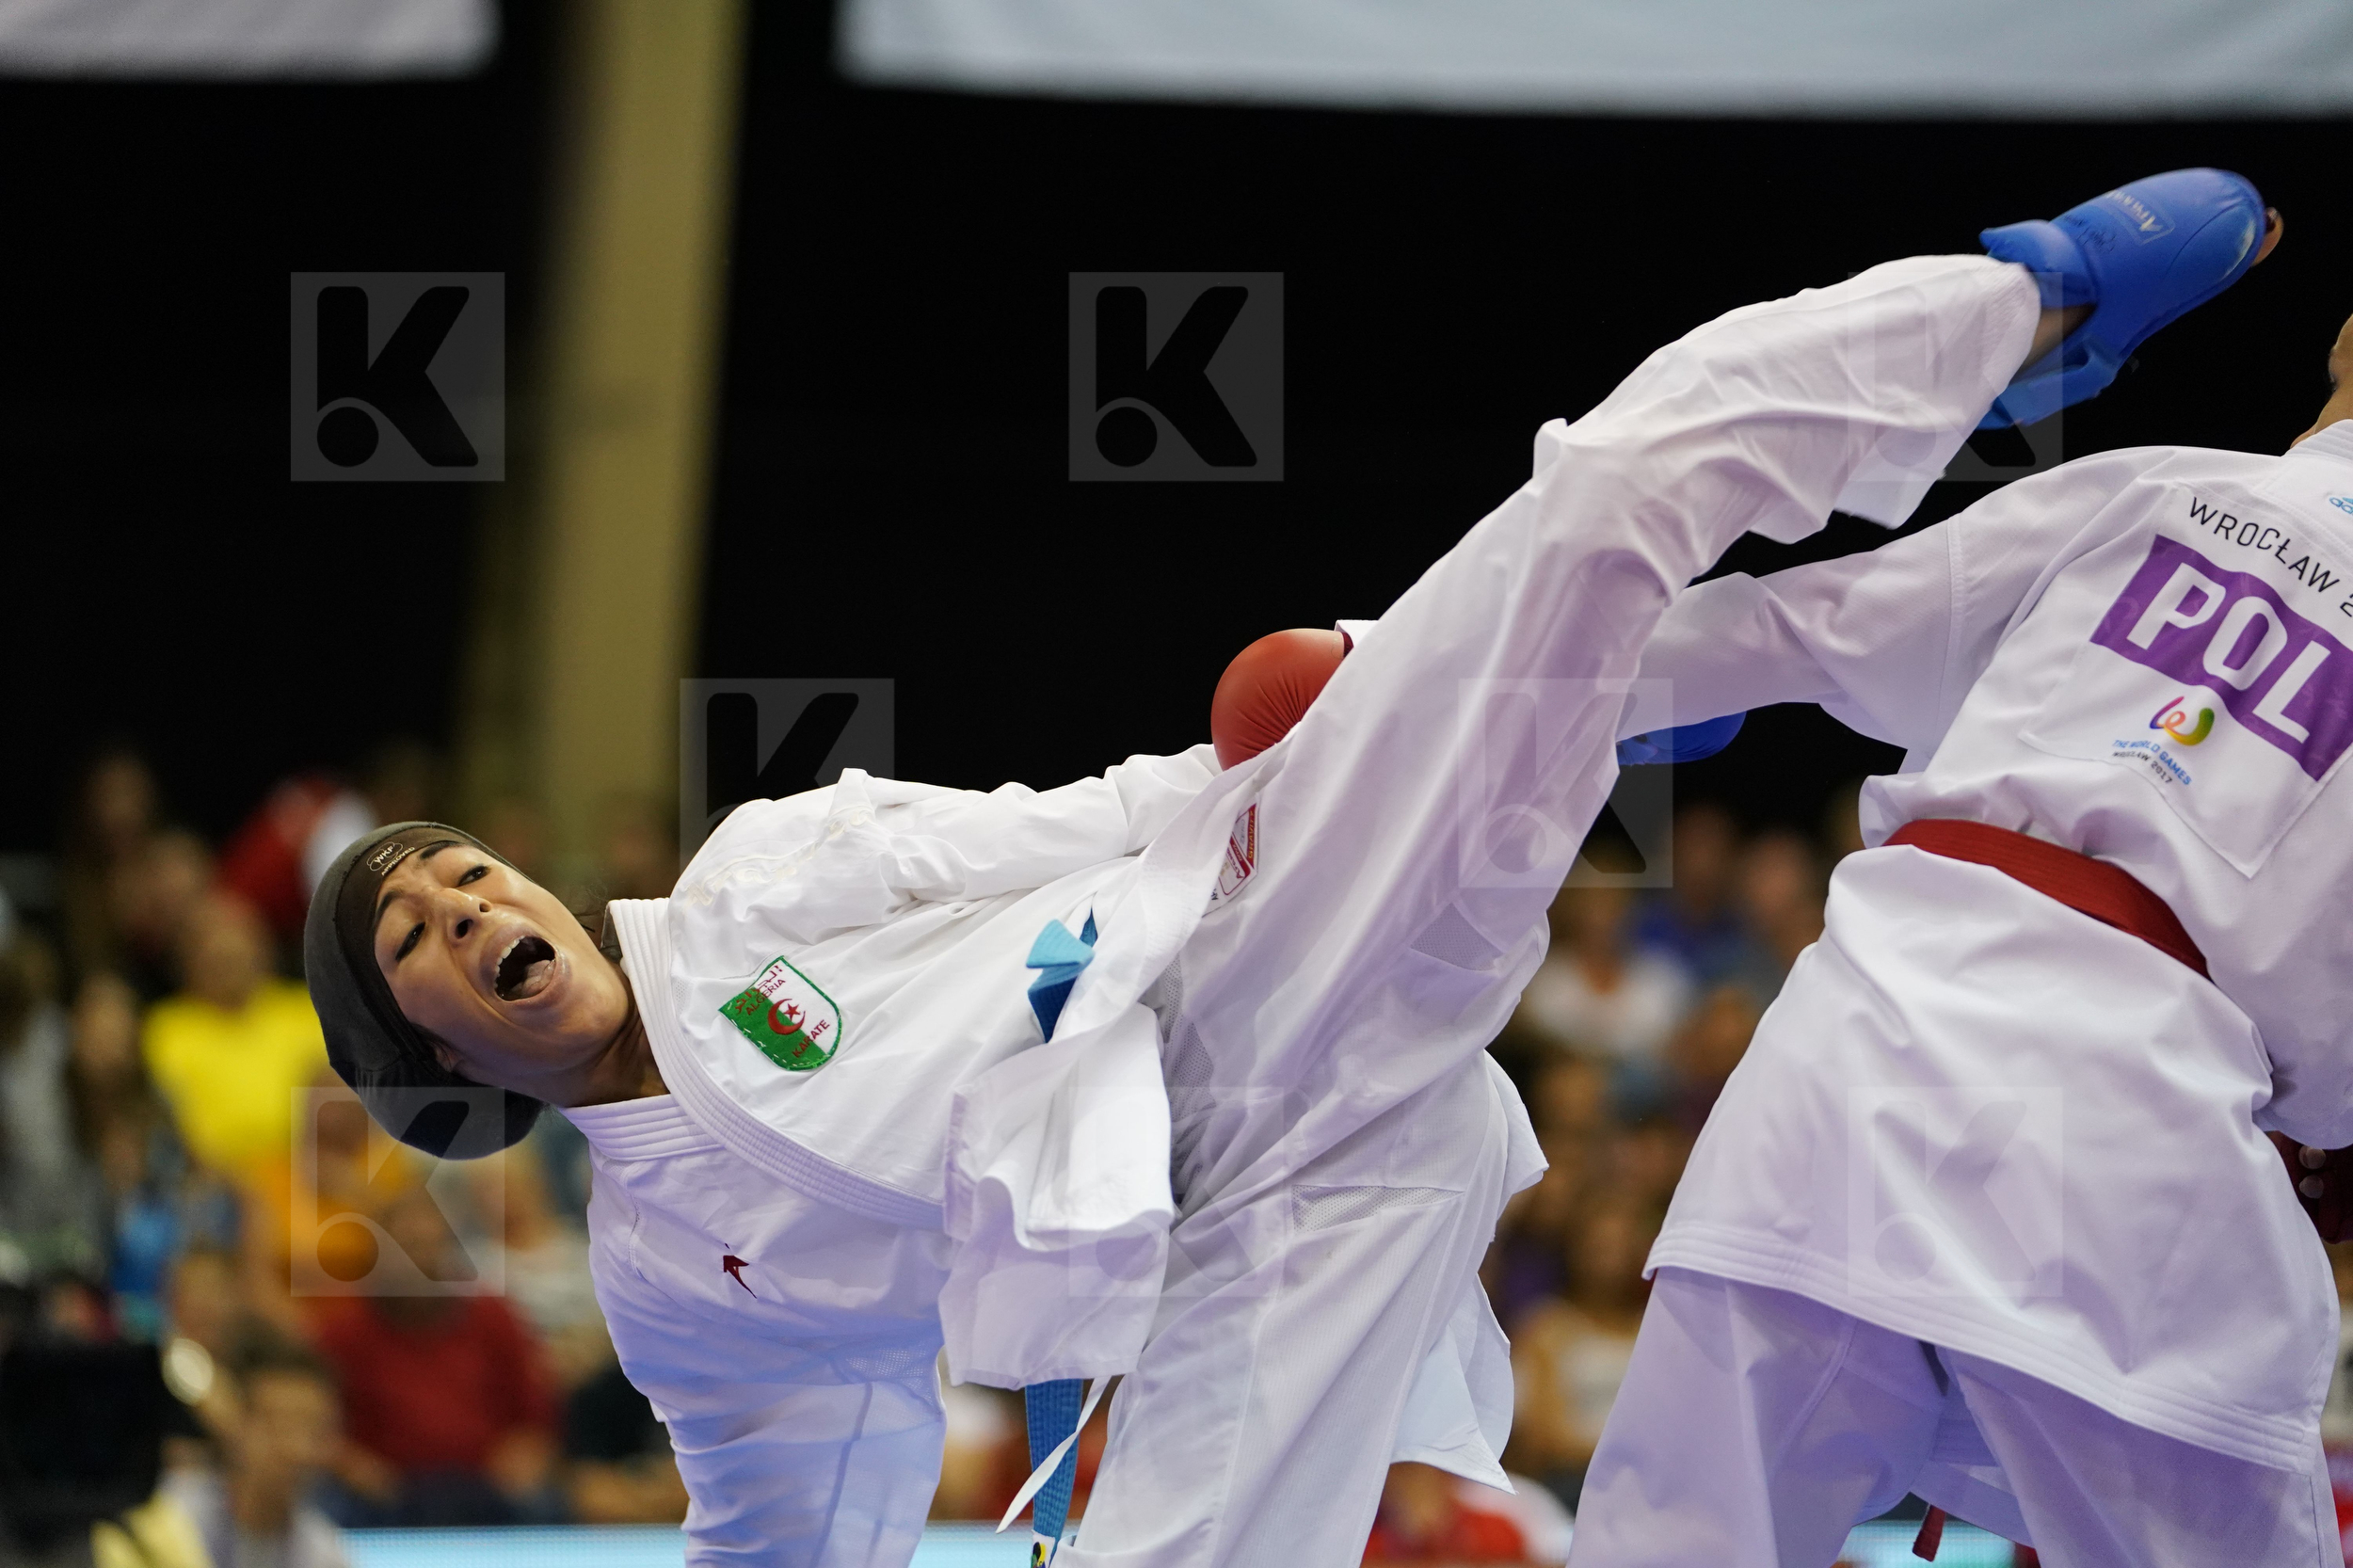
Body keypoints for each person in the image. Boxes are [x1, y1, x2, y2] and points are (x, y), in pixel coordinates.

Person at [296, 168, 2259, 1566]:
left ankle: (2025, 302)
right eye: (419, 939)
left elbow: (1070, 818)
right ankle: (1595, 699)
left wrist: (1334, 724)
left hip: (1254, 957)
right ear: (431, 1061)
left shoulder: (753, 880)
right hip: (1237, 1252)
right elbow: (781, 1515)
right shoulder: (669, 1277)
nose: (473, 907)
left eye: (465, 875)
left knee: (1594, 498)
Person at [1570, 172, 2343, 1565]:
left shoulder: (2162, 489)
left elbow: (1796, 630)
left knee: (1675, 1544)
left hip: (1855, 1054)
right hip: (2136, 1134)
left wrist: (1441, 681)